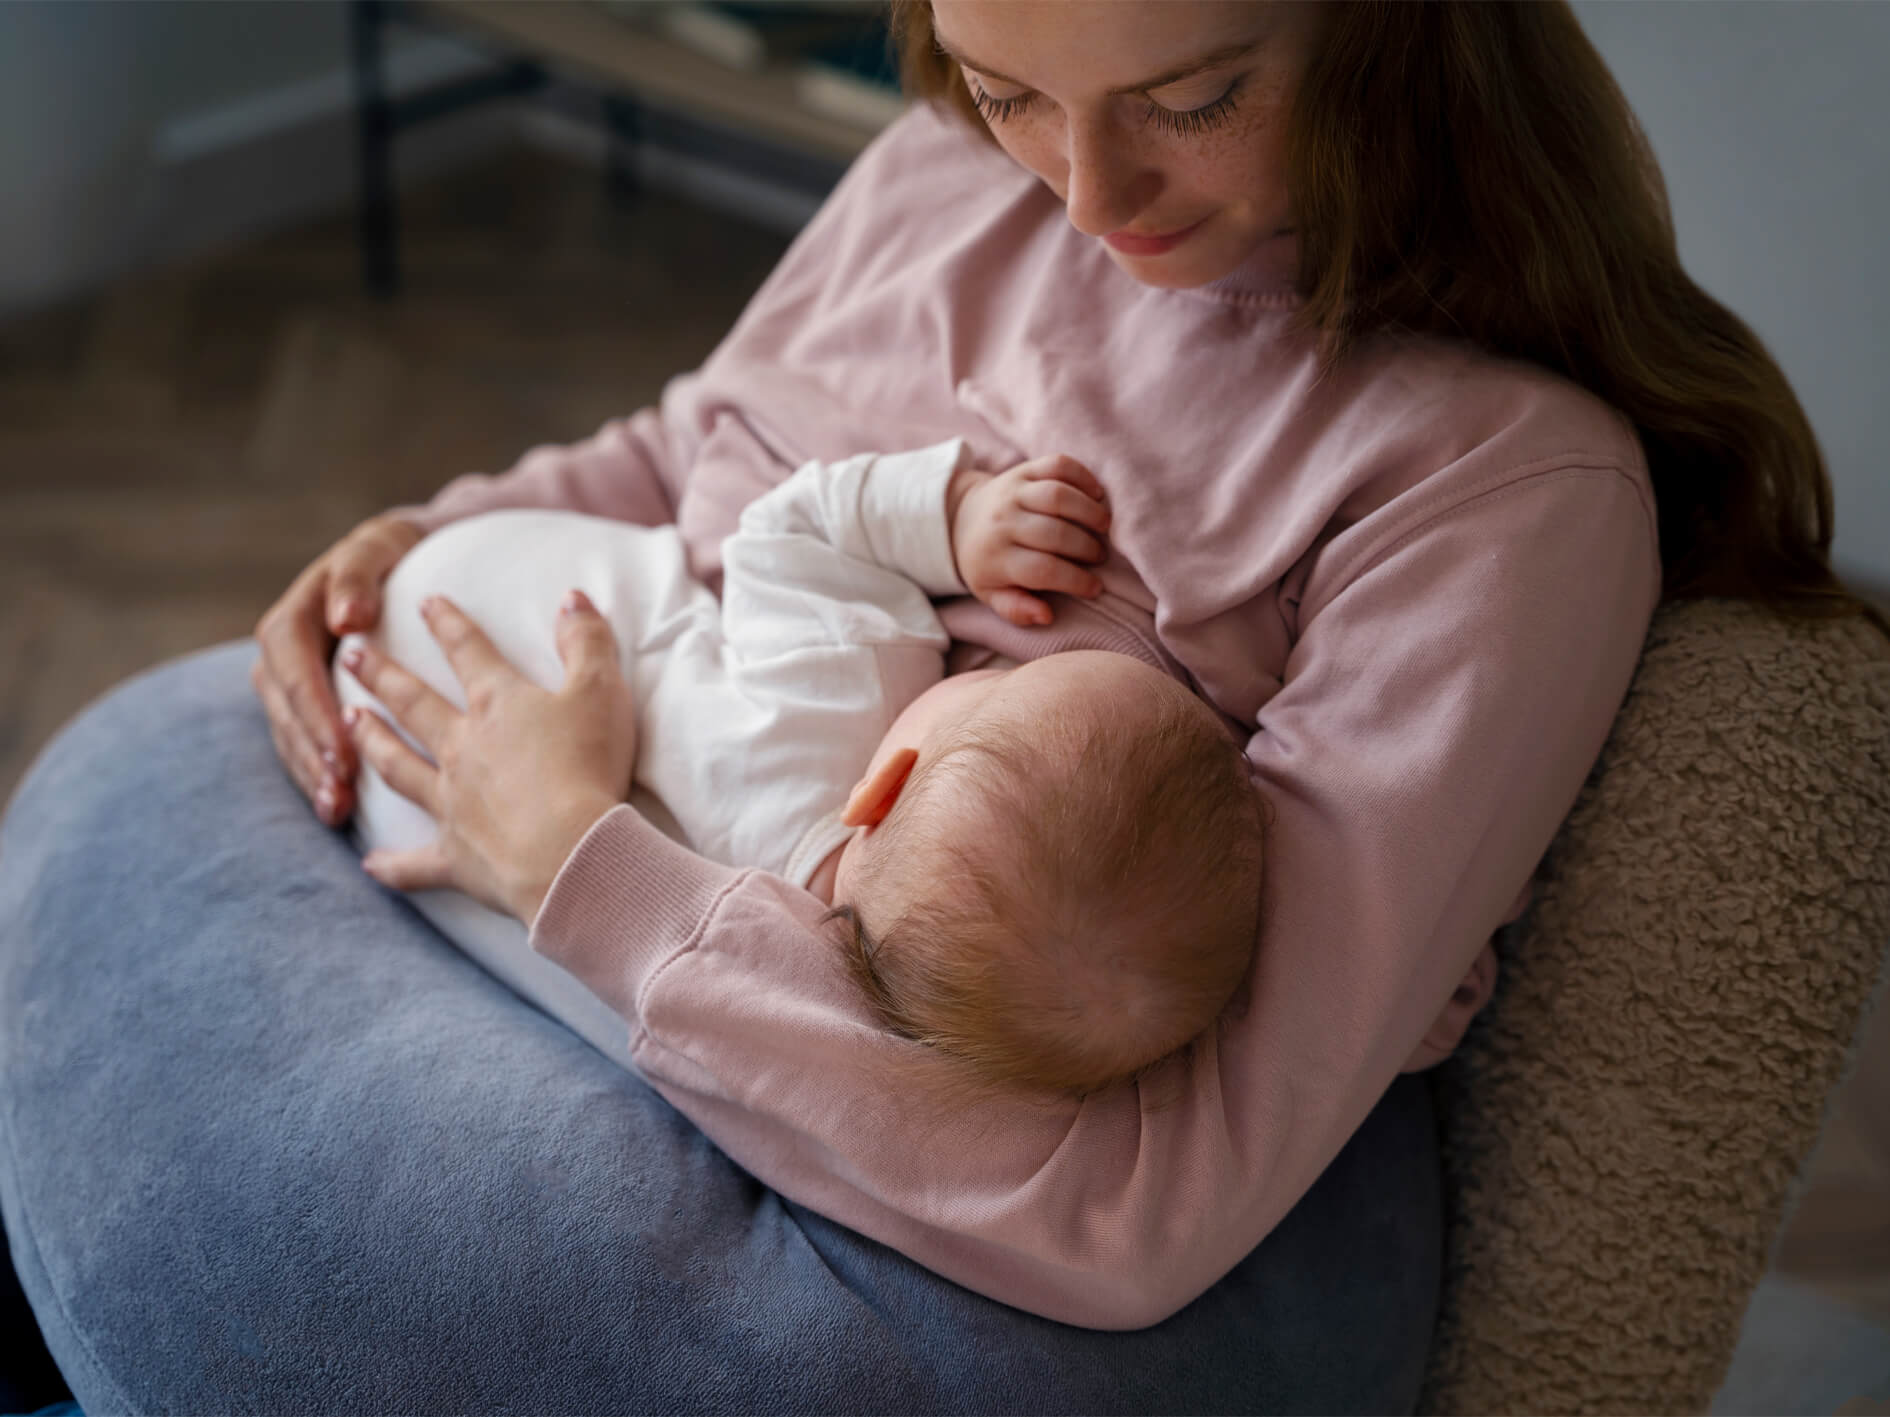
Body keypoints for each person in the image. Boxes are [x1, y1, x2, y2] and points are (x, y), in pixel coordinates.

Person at [51, 0, 1859, 1397]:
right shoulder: (937, 170)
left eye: (1195, 93)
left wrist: (573, 864)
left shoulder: (1495, 484)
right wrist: (423, 540)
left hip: (934, 1117)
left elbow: (1151, 1196)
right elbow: (701, 443)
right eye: (1007, 88)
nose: (1083, 197)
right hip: (663, 848)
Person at [339, 440, 1268, 1096]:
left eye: (998, 685)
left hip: (459, 612)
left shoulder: (841, 697)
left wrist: (954, 521)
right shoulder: (778, 977)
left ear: (884, 783)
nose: (980, 663)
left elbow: (788, 531)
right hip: (422, 822)